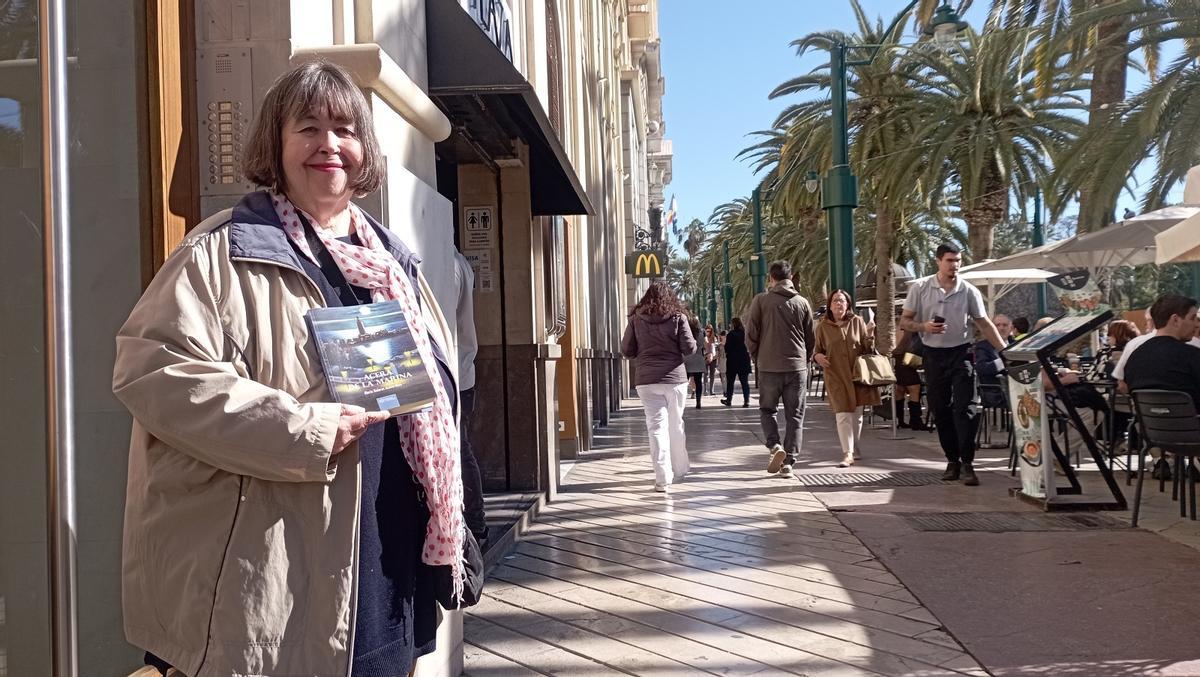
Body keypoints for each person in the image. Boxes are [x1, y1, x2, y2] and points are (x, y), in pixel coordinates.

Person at [112, 61, 462, 676]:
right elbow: (153, 371)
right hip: (275, 588)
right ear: (276, 144)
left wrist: (464, 518)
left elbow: (435, 403)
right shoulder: (221, 252)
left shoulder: (394, 267)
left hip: (387, 578)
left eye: (346, 129)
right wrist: (302, 429)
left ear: (365, 150)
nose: (330, 144)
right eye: (309, 127)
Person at [899, 243, 1006, 486]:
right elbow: (904, 322)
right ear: (938, 261)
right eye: (949, 260)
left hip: (962, 353)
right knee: (940, 409)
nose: (954, 265)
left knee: (966, 408)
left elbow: (984, 323)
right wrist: (924, 326)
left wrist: (1004, 351)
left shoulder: (969, 291)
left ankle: (968, 463)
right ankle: (952, 461)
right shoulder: (920, 288)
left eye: (958, 260)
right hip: (933, 355)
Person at [621, 282, 697, 492]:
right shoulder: (677, 318)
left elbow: (627, 349)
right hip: (674, 380)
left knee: (656, 428)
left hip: (646, 379)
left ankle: (662, 478)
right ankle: (680, 469)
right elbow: (689, 348)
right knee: (676, 424)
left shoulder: (636, 320)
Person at [745, 260, 816, 478]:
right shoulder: (802, 303)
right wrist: (804, 359)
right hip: (796, 367)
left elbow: (751, 334)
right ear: (791, 276)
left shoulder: (761, 300)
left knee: (768, 410)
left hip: (768, 367)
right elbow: (810, 337)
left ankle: (775, 445)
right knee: (795, 416)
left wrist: (758, 356)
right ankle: (789, 464)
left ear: (771, 278)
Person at [813, 290, 880, 467]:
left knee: (857, 415)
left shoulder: (857, 322)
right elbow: (817, 350)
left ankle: (855, 447)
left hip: (857, 374)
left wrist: (870, 334)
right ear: (829, 305)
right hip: (835, 374)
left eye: (842, 301)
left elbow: (867, 349)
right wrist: (817, 357)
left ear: (848, 304)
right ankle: (847, 453)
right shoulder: (822, 326)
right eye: (835, 301)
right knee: (843, 414)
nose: (838, 304)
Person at [454, 248, 488, 547]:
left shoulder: (449, 266)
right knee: (461, 449)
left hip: (454, 374)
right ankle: (476, 525)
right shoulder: (462, 264)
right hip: (462, 372)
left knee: (460, 451)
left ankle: (475, 525)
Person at [1124, 295, 1200, 406]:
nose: (1196, 324)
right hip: (1192, 422)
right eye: (1192, 318)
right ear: (1175, 320)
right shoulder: (1192, 356)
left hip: (1148, 423)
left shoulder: (1134, 357)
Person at [891, 327, 927, 430]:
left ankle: (900, 420)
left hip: (899, 356)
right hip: (906, 356)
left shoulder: (902, 323)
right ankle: (915, 421)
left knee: (900, 389)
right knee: (914, 388)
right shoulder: (912, 322)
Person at [721, 317, 753, 407]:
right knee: (744, 383)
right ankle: (746, 401)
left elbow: (727, 348)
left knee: (730, 382)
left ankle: (729, 400)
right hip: (744, 360)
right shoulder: (745, 334)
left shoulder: (731, 334)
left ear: (733, 324)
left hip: (732, 361)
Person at [683, 317, 708, 409]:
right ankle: (698, 401)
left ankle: (682, 400)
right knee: (698, 382)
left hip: (687, 358)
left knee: (684, 382)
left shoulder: (686, 332)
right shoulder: (702, 332)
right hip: (698, 358)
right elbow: (705, 344)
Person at [703, 324, 720, 395]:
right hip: (705, 357)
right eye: (707, 331)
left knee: (712, 374)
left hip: (713, 357)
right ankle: (705, 390)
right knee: (705, 374)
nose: (708, 332)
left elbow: (717, 347)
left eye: (710, 331)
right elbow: (703, 346)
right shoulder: (703, 338)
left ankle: (711, 390)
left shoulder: (715, 337)